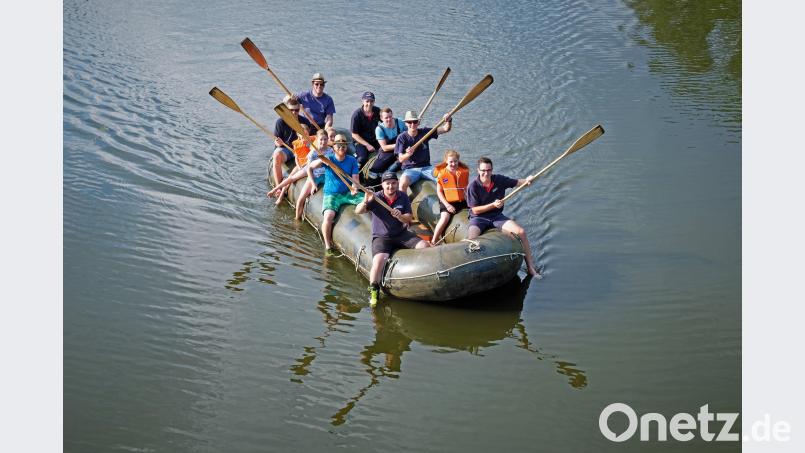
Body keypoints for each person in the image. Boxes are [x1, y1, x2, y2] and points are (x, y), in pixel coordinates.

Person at [355, 172, 432, 306]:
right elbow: (358, 211)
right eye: (387, 183)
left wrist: (400, 216)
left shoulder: (402, 196)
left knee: (424, 246)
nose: (390, 186)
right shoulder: (377, 197)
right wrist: (365, 200)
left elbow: (408, 217)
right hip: (382, 237)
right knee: (379, 261)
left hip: (401, 233)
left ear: (397, 183)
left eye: (393, 183)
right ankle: (374, 291)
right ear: (383, 185)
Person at [466, 157, 540, 277]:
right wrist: (492, 205)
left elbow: (518, 183)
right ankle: (474, 273)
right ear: (478, 170)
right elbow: (475, 210)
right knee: (472, 241)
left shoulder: (499, 180)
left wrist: (528, 180)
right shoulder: (473, 186)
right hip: (478, 218)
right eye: (483, 170)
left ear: (492, 170)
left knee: (521, 232)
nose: (486, 173)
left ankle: (531, 268)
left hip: (496, 216)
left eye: (489, 170)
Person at [306, 134, 362, 254]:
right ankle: (328, 246)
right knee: (328, 216)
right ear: (334, 147)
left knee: (369, 199)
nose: (342, 148)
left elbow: (355, 178)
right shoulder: (329, 159)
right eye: (339, 146)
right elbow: (309, 168)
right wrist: (313, 183)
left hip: (347, 192)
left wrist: (354, 188)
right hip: (331, 194)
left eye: (343, 146)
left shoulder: (351, 160)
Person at [267, 129, 330, 219]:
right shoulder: (313, 152)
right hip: (313, 174)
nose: (323, 142)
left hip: (325, 175)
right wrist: (312, 183)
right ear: (318, 140)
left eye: (325, 139)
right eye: (321, 139)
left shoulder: (331, 151)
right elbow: (309, 169)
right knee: (298, 193)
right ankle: (296, 218)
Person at [394, 110, 453, 193]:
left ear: (418, 122)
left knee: (444, 177)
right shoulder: (401, 137)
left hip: (427, 167)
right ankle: (403, 204)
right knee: (402, 184)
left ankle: (447, 202)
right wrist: (408, 154)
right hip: (410, 169)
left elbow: (445, 129)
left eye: (415, 122)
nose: (412, 124)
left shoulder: (425, 132)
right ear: (406, 123)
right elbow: (400, 159)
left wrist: (449, 120)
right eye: (409, 122)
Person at [271, 95, 311, 191]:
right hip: (287, 149)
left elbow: (311, 139)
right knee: (276, 155)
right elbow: (276, 141)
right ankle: (278, 188)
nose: (294, 112)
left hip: (301, 149)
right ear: (287, 110)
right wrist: (278, 143)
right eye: (291, 110)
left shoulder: (305, 121)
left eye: (296, 110)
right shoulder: (280, 122)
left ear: (299, 110)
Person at [432, 149, 470, 244]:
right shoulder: (442, 173)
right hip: (446, 201)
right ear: (446, 162)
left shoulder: (464, 172)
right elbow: (439, 192)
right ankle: (434, 240)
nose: (453, 164)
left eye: (455, 161)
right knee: (445, 218)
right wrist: (447, 205)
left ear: (458, 160)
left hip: (461, 201)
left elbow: (466, 189)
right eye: (451, 162)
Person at [365, 107, 406, 185]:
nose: (389, 119)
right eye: (386, 118)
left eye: (390, 117)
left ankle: (388, 173)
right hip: (387, 151)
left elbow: (409, 133)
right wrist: (399, 145)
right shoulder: (379, 129)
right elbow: (384, 147)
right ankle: (372, 186)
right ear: (381, 118)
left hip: (400, 150)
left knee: (400, 162)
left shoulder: (400, 122)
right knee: (374, 170)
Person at [350, 91, 381, 170]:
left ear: (374, 102)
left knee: (385, 152)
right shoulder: (356, 115)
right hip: (360, 142)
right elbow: (354, 134)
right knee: (362, 159)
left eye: (371, 101)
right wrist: (367, 145)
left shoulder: (377, 111)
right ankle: (357, 176)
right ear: (363, 101)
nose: (369, 104)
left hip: (374, 139)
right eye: (367, 101)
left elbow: (387, 120)